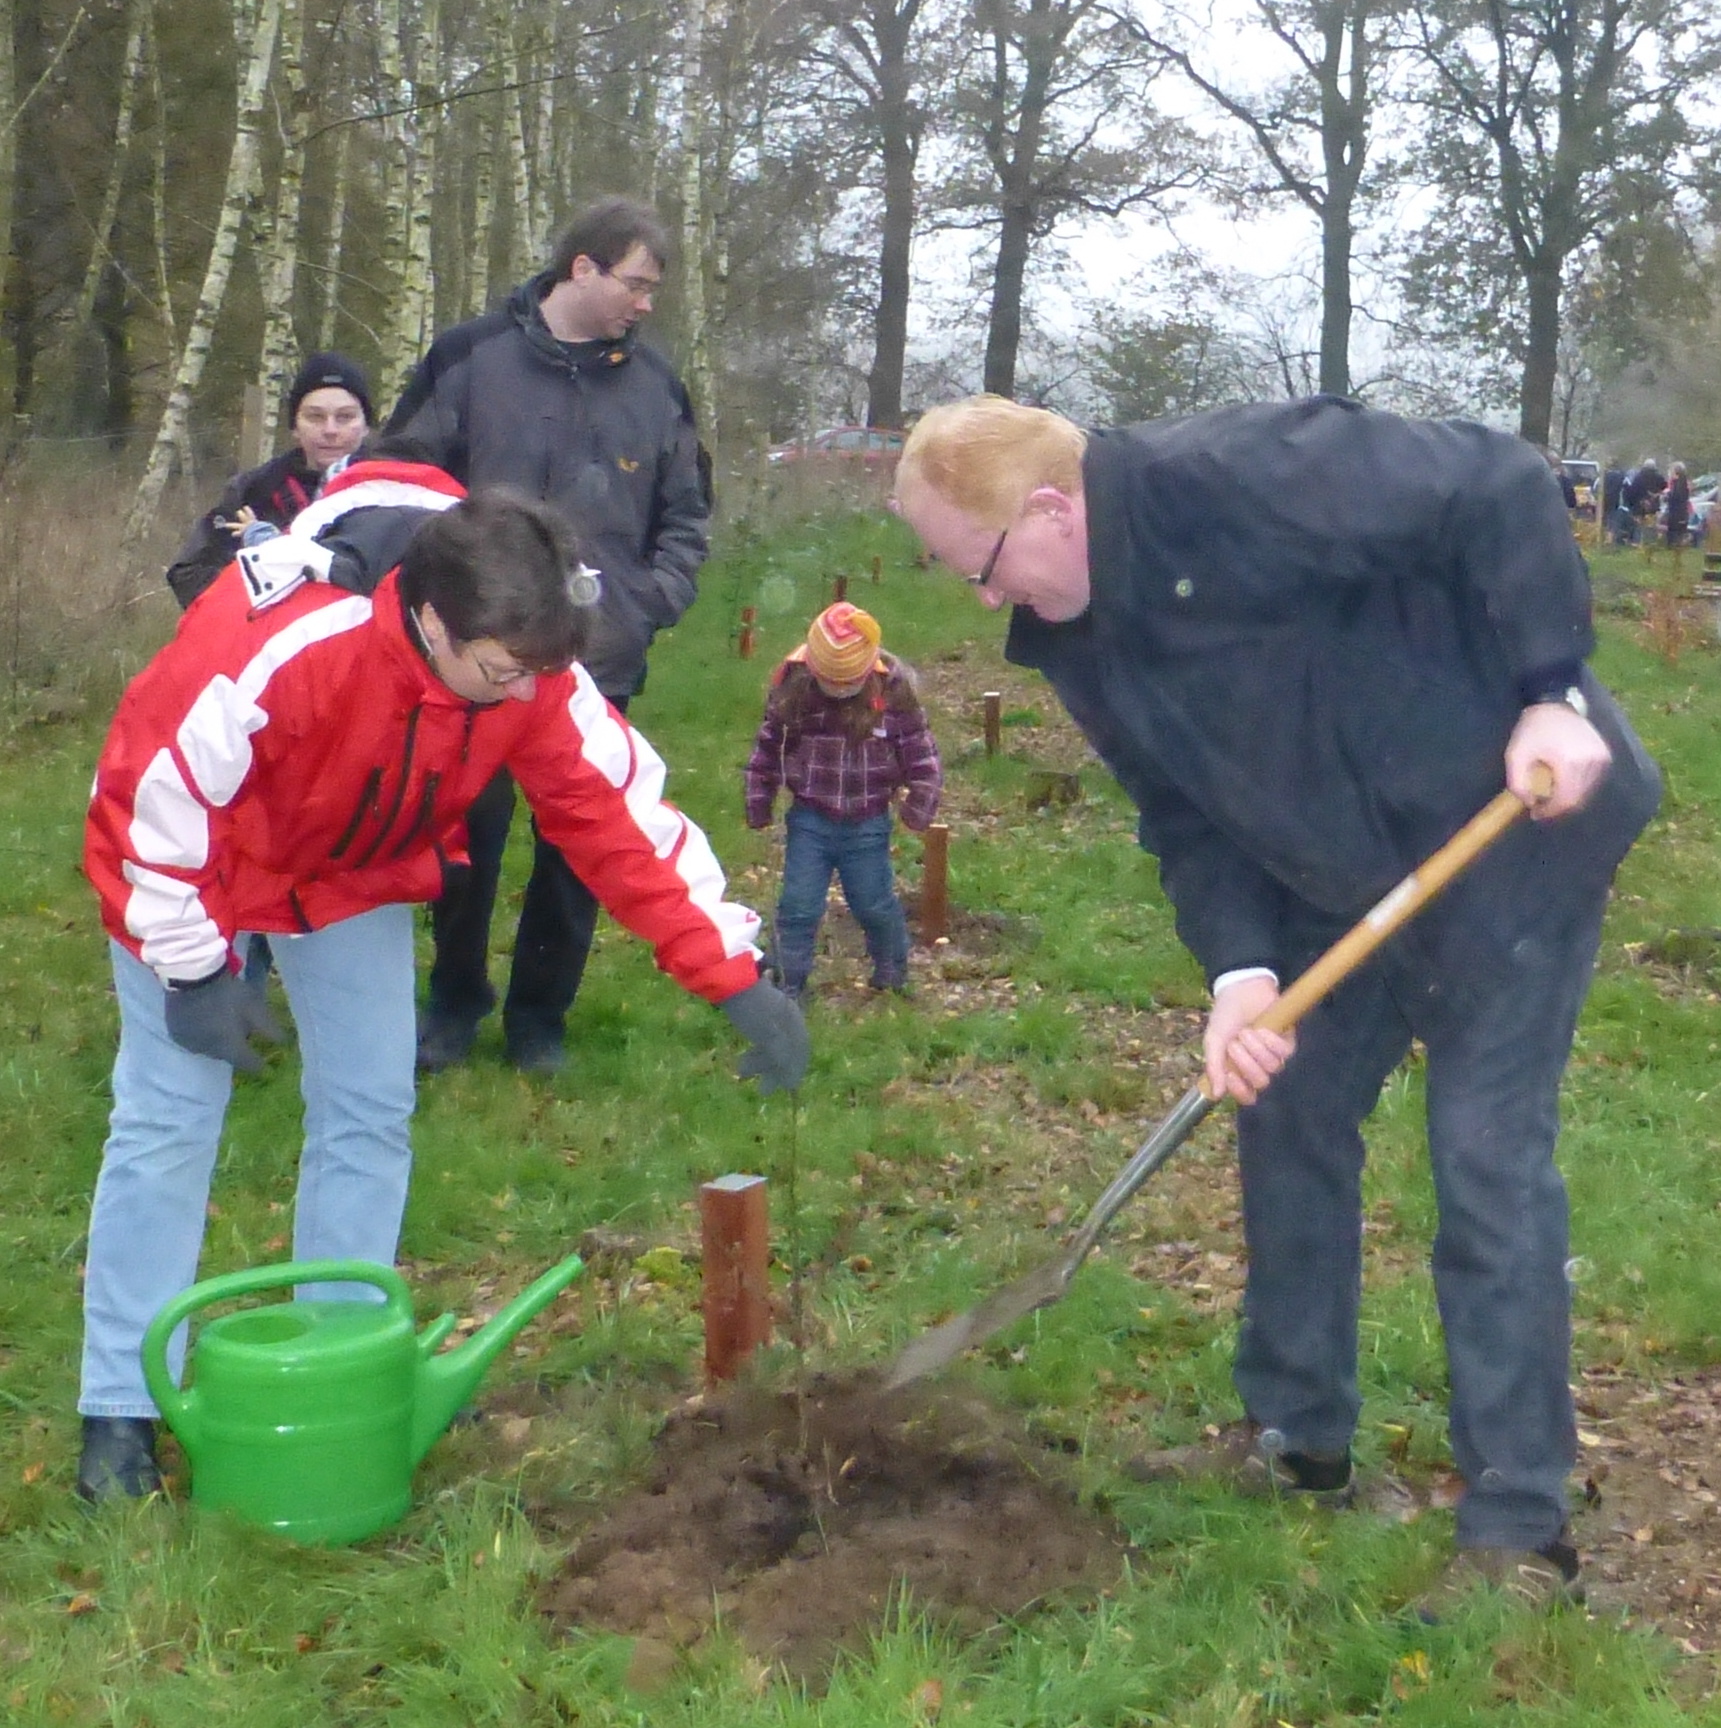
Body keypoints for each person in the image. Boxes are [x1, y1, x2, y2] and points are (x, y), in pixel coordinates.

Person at [890, 393, 1660, 1608]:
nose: (982, 600)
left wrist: (1548, 689)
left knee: (1483, 1159)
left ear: (1050, 509)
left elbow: (1499, 482)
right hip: (1332, 862)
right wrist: (1240, 975)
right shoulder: (1075, 635)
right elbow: (1182, 816)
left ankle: (1521, 1528)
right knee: (1284, 1101)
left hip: (1506, 826)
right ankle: (1297, 1438)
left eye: (979, 568)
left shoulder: (1242, 474)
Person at [75, 465, 807, 1502]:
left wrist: (730, 976)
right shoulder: (279, 645)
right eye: (497, 672)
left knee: (371, 1107)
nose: (521, 695)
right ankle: (123, 1406)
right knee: (167, 1121)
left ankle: (343, 1358)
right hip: (198, 871)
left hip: (353, 880)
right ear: (426, 621)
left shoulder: (530, 672)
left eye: (533, 675)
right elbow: (148, 803)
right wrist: (192, 971)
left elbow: (616, 816)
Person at [386, 196, 707, 1076]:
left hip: (599, 662)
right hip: (475, 663)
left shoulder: (657, 388)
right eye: (635, 283)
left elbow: (686, 514)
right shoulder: (468, 360)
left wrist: (648, 601)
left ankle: (540, 1021)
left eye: (653, 290)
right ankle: (452, 1005)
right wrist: (440, 611)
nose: (646, 303)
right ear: (582, 270)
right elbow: (400, 485)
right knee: (464, 846)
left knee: (578, 851)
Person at [743, 602, 943, 997]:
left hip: (867, 822)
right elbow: (767, 750)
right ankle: (789, 984)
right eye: (830, 682)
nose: (838, 690)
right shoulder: (794, 692)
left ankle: (892, 973)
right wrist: (759, 799)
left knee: (873, 903)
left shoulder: (894, 696)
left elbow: (923, 757)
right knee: (797, 906)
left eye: (846, 683)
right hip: (810, 819)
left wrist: (917, 806)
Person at [165, 353, 373, 608]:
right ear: (295, 427)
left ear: (366, 426)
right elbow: (190, 573)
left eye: (345, 417)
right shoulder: (254, 491)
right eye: (315, 417)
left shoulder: (397, 489)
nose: (330, 430)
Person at [1662, 461, 1692, 549]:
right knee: (1680, 528)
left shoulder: (1678, 482)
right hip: (1682, 509)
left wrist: (1667, 496)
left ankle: (1673, 544)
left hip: (1676, 509)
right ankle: (1679, 544)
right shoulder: (1685, 481)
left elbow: (1676, 496)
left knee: (1674, 528)